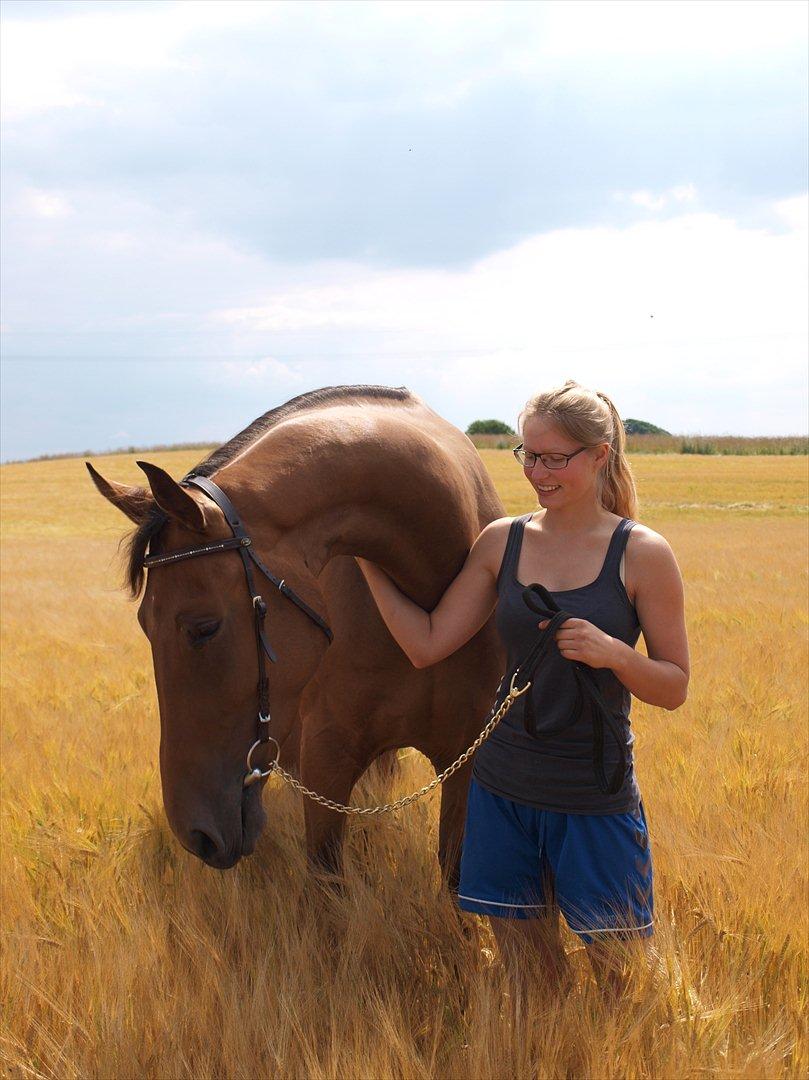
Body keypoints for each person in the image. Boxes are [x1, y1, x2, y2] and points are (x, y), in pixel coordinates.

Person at [355, 380, 689, 997]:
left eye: (554, 457)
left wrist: (613, 653)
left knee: (617, 978)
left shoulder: (641, 554)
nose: (538, 472)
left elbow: (673, 687)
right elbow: (427, 643)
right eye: (527, 456)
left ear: (600, 455)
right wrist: (368, 563)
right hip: (504, 786)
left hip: (595, 792)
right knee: (526, 974)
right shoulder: (502, 541)